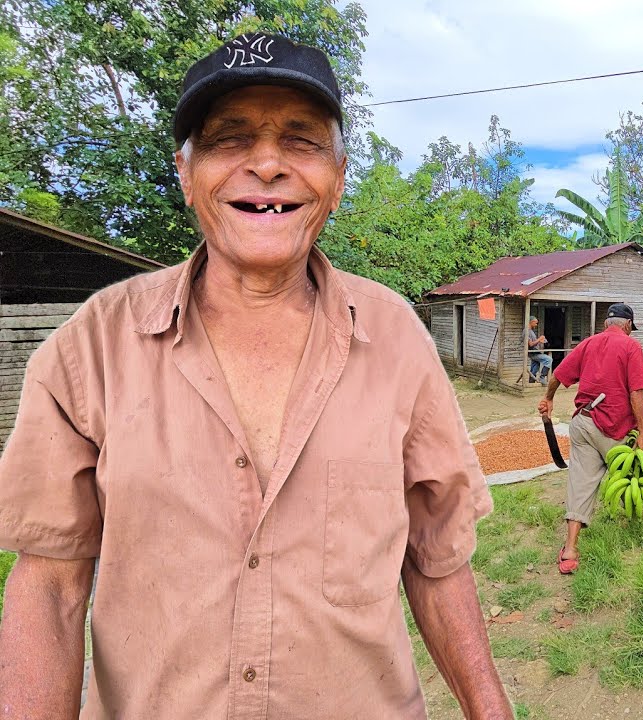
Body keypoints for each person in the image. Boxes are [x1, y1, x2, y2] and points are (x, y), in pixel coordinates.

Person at [0, 33, 510, 719]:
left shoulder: (396, 341)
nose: (267, 165)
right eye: (230, 139)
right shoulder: (89, 349)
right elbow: (51, 587)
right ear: (186, 174)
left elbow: (437, 559)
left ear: (338, 175)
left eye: (300, 140)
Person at [538, 303, 643, 574]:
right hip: (615, 429)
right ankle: (642, 524)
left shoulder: (588, 343)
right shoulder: (630, 346)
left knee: (580, 481)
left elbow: (559, 375)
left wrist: (548, 398)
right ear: (627, 325)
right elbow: (637, 392)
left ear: (605, 324)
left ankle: (570, 549)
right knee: (631, 476)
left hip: (584, 423)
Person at [527, 316, 552, 384]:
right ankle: (542, 377)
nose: (536, 325)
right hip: (532, 353)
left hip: (535, 352)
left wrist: (540, 341)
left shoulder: (531, 331)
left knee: (535, 367)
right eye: (535, 323)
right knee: (549, 359)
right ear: (531, 322)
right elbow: (531, 344)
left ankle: (531, 383)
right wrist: (539, 339)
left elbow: (534, 343)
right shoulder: (527, 331)